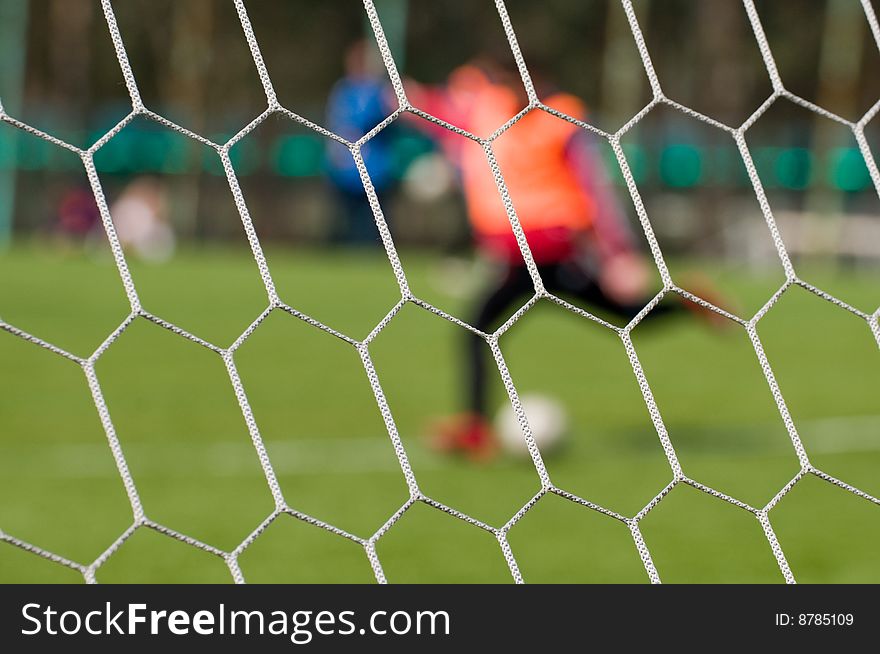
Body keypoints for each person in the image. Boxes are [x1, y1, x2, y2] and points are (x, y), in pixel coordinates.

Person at [409, 61, 720, 460]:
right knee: (618, 317)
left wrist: (618, 253)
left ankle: (474, 431)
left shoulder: (561, 121)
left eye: (526, 82)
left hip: (553, 251)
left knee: (481, 330)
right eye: (509, 82)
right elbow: (444, 115)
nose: (517, 90)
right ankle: (687, 304)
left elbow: (595, 189)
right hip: (516, 256)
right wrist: (408, 99)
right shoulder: (490, 114)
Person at [325, 40, 396, 244]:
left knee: (374, 222)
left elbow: (388, 121)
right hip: (346, 169)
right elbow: (336, 122)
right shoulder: (343, 90)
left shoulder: (381, 92)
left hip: (376, 168)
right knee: (347, 219)